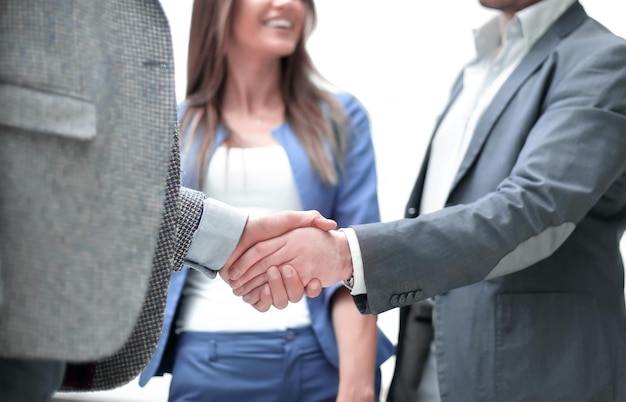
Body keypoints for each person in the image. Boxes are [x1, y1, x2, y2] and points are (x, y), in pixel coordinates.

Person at [226, 0, 626, 401]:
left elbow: (533, 212)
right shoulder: (479, 67)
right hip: (431, 360)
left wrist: (345, 254)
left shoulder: (603, 61)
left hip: (535, 371)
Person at [0, 1, 334, 401]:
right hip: (200, 350)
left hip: (310, 352)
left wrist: (234, 236)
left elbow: (358, 234)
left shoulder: (336, 117)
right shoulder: (184, 120)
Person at [138, 1, 394, 401]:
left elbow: (359, 264)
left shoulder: (341, 118)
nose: (289, 4)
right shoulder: (171, 126)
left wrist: (358, 387)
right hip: (208, 363)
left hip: (320, 364)